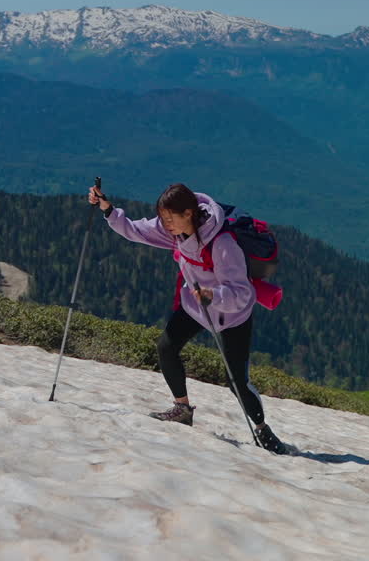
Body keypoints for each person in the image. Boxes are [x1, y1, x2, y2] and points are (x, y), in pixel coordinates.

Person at [89, 182, 288, 454]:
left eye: (171, 218)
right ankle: (182, 408)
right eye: (163, 218)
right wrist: (107, 209)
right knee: (166, 347)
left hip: (231, 315)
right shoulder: (173, 232)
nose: (165, 224)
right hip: (195, 303)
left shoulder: (222, 243)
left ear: (189, 213)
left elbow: (243, 293)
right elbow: (135, 230)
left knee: (237, 381)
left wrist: (213, 295)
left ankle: (263, 430)